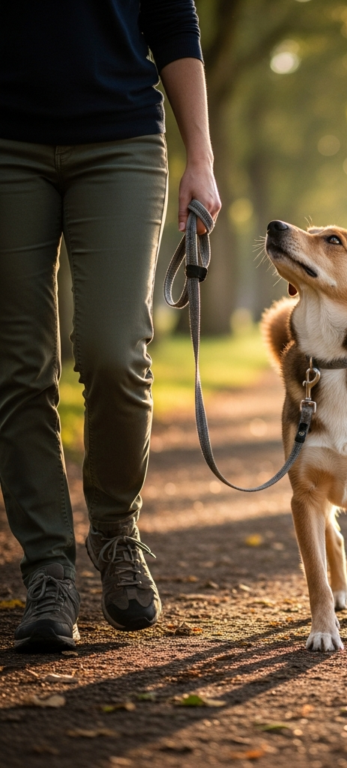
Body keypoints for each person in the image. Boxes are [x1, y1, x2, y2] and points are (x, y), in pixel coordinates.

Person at [0, 1, 221, 651]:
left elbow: (173, 23)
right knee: (17, 365)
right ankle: (48, 570)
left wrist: (201, 158)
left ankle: (117, 534)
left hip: (121, 138)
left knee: (115, 351)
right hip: (5, 143)